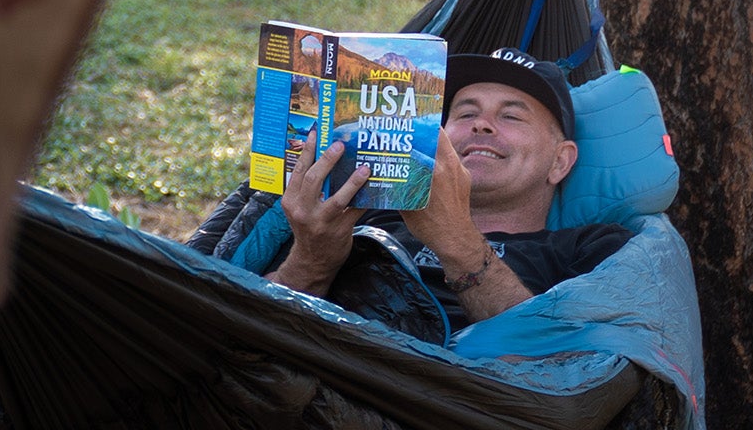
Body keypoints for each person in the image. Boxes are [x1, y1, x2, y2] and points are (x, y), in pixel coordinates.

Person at [267, 48, 631, 330]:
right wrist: (312, 259)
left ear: (560, 162)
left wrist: (457, 242)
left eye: (511, 116)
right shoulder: (357, 214)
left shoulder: (592, 250)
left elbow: (567, 371)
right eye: (465, 113)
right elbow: (249, 325)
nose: (482, 126)